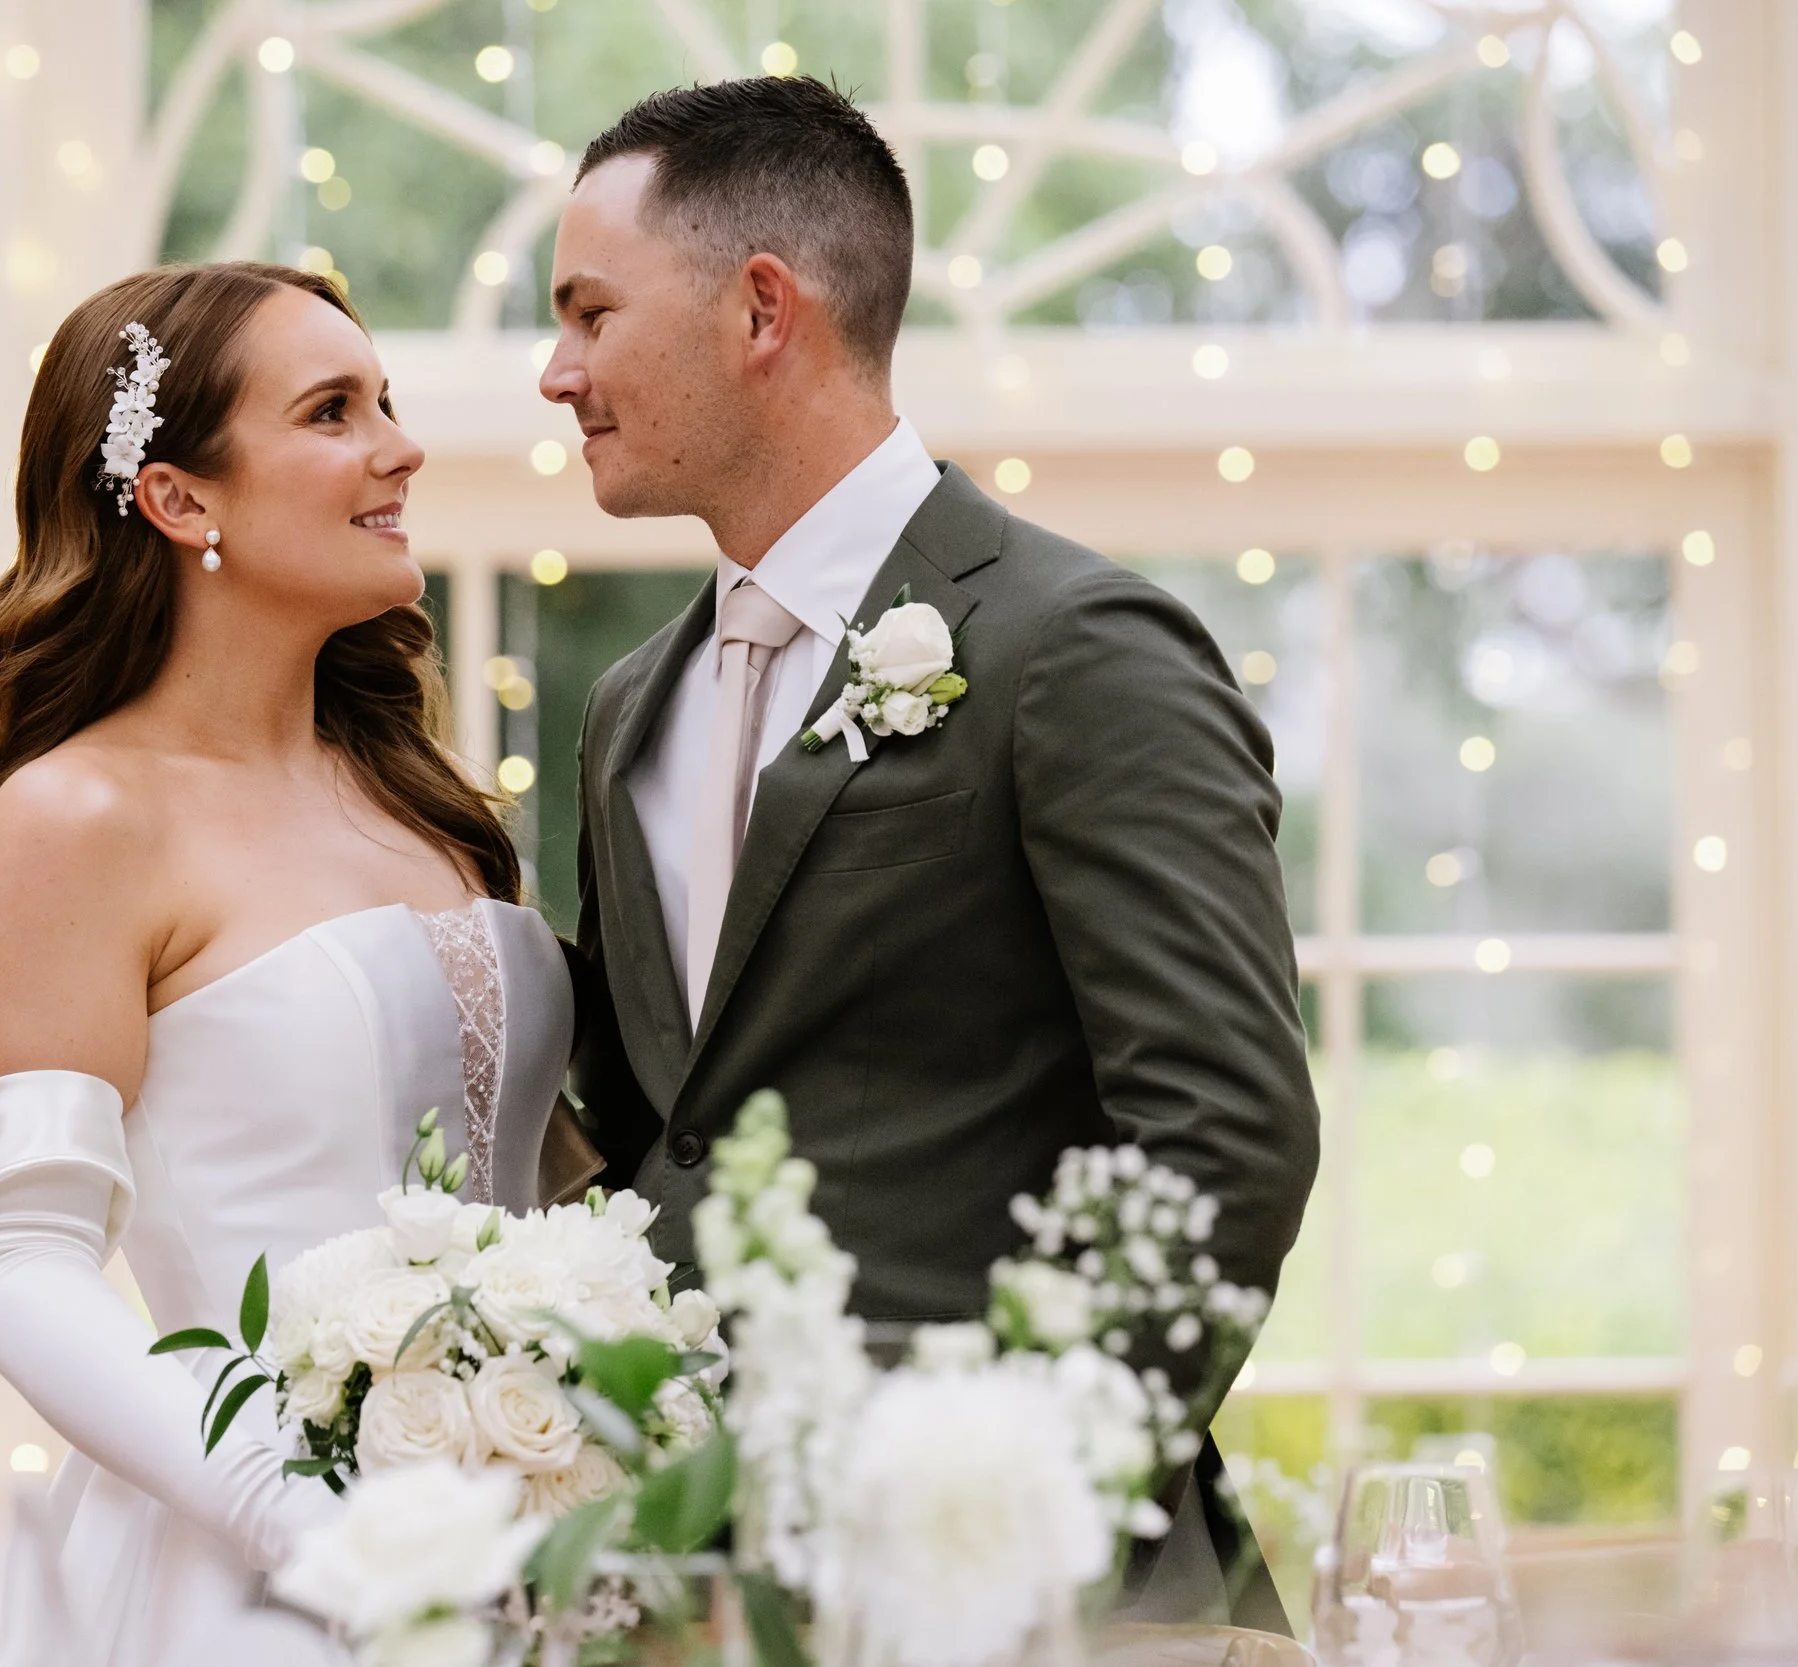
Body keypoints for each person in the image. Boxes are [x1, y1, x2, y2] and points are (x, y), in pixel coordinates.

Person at [546, 79, 1321, 1629]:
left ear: (762, 308)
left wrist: (1020, 1509)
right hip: (710, 1602)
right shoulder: (629, 708)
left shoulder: (1074, 647)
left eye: (588, 311)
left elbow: (1225, 1132)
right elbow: (658, 1152)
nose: (558, 372)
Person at [0, 263, 578, 1666]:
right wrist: (303, 1512)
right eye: (333, 411)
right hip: (249, 1579)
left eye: (388, 400)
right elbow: (19, 1260)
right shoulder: (77, 817)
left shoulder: (419, 798)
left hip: (540, 1560)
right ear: (179, 498)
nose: (400, 445)